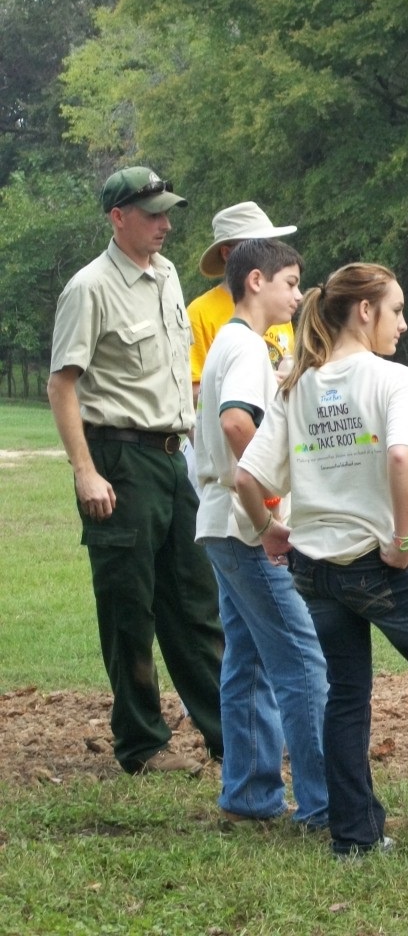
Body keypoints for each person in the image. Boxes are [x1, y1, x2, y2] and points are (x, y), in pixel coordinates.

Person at [235, 263, 408, 857]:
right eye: (396, 310)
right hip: (374, 564)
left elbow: (246, 476)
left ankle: (356, 839)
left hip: (312, 568)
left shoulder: (297, 385)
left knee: (346, 694)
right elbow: (399, 459)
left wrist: (268, 530)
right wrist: (403, 539)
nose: (404, 322)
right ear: (364, 310)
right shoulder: (395, 381)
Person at [47, 166, 224, 776]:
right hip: (119, 459)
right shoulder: (89, 288)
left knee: (198, 601)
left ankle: (229, 735)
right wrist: (84, 471)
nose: (166, 225)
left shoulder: (169, 275)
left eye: (167, 213)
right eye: (152, 214)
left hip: (175, 458)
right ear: (117, 218)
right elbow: (62, 385)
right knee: (130, 607)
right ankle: (143, 744)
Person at [195, 238, 328, 832]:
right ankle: (328, 804)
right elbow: (234, 422)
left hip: (222, 524)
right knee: (303, 659)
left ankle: (250, 796)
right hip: (247, 529)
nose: (299, 295)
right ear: (255, 281)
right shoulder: (246, 346)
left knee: (247, 660)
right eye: (291, 282)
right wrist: (269, 503)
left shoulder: (229, 341)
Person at [189, 201, 299, 399]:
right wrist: (254, 384)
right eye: (259, 245)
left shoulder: (278, 308)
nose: (270, 253)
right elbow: (190, 391)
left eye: (272, 244)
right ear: (227, 253)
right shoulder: (200, 312)